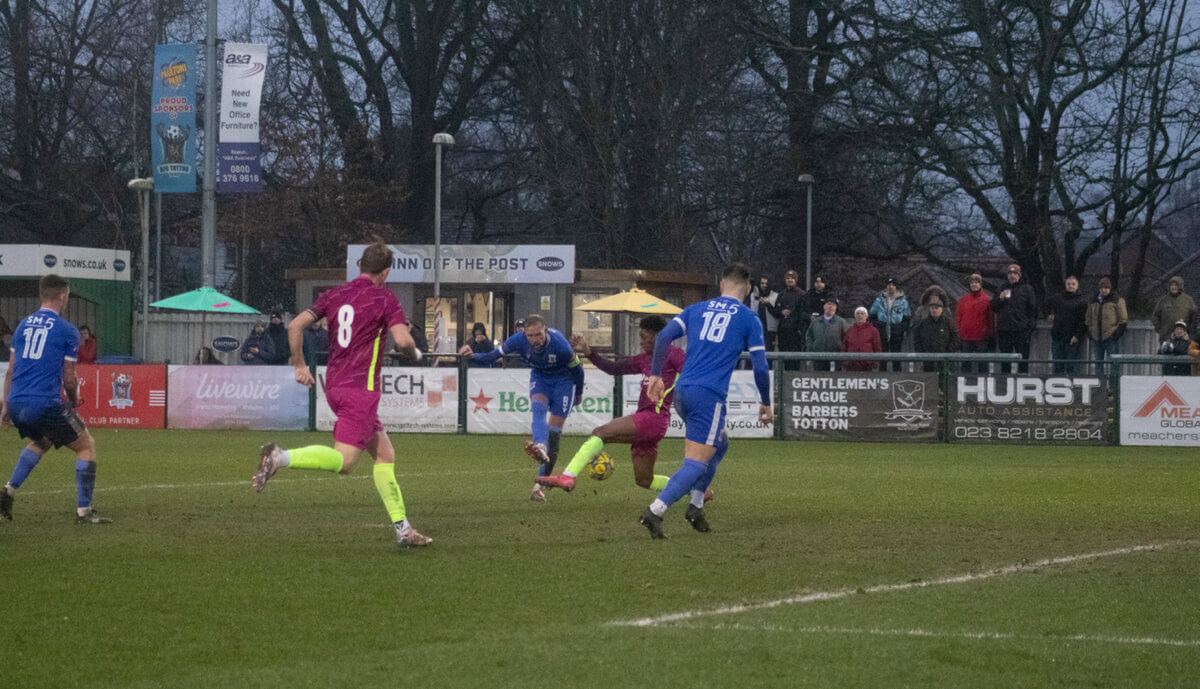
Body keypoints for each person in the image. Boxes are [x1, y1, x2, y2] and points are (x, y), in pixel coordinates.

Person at [252, 241, 432, 549]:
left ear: (360, 266)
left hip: (334, 385)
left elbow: (295, 326)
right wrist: (415, 352)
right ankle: (279, 457)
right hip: (360, 390)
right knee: (346, 463)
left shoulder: (334, 295)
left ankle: (403, 528)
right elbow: (402, 339)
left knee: (385, 455)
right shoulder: (385, 298)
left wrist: (299, 366)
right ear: (386, 272)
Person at [639, 263, 773, 539]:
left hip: (683, 391)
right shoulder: (749, 318)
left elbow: (664, 336)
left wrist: (655, 375)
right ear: (747, 289)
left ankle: (696, 505)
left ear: (721, 285)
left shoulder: (696, 309)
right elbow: (760, 367)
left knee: (719, 443)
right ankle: (655, 511)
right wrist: (766, 402)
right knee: (696, 463)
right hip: (708, 396)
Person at [0, 274, 110, 524]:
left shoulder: (23, 325)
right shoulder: (67, 330)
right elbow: (69, 377)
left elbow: (10, 370)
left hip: (17, 400)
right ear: (63, 296)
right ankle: (84, 512)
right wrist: (74, 400)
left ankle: (8, 490)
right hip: (43, 402)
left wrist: (6, 406)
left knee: (43, 440)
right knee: (85, 446)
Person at [537, 315, 686, 494]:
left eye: (644, 337)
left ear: (658, 337)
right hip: (651, 423)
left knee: (600, 433)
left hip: (653, 418)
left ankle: (568, 476)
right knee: (645, 480)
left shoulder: (675, 355)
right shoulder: (644, 359)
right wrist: (588, 351)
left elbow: (691, 374)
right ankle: (696, 490)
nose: (641, 342)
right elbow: (613, 368)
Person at [458, 314, 585, 502]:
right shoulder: (518, 340)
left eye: (538, 335)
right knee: (538, 408)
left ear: (545, 330)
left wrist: (579, 393)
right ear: (524, 333)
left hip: (563, 381)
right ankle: (540, 445)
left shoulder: (560, 344)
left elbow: (578, 370)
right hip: (540, 377)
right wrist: (472, 355)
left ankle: (538, 487)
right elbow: (492, 356)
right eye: (530, 335)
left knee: (554, 435)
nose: (534, 340)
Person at [991, 263, 1038, 373]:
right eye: (1010, 273)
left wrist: (1030, 327)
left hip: (1021, 331)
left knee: (1023, 359)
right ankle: (1005, 384)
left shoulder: (1027, 288)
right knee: (1005, 360)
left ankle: (1022, 382)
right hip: (1005, 330)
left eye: (1015, 273)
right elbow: (993, 307)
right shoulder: (1001, 288)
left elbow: (1033, 309)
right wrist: (1000, 298)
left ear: (1019, 275)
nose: (1012, 276)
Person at [1085, 276, 1128, 378]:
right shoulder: (1093, 300)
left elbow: (1123, 319)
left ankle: (1114, 387)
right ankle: (1100, 387)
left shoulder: (1117, 299)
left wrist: (1116, 334)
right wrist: (1089, 332)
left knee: (1114, 364)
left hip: (1110, 337)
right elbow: (1088, 318)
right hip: (1096, 337)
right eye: (1101, 288)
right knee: (1098, 364)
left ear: (1110, 288)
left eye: (1106, 288)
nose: (1103, 290)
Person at [1046, 276, 1088, 376]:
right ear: (1065, 285)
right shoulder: (1058, 298)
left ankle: (1071, 387)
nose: (1071, 286)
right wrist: (1048, 314)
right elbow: (1045, 304)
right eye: (1069, 284)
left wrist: (1077, 335)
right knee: (1057, 365)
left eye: (1073, 284)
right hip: (1057, 336)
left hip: (1072, 338)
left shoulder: (1082, 301)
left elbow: (1083, 321)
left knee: (1071, 366)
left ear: (1077, 286)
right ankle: (1057, 386)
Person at [868, 277, 911, 371]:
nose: (891, 287)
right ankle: (882, 380)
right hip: (882, 331)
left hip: (896, 332)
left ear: (896, 287)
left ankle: (897, 379)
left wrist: (901, 329)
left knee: (896, 358)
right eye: (889, 285)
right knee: (882, 358)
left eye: (893, 285)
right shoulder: (879, 300)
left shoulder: (903, 301)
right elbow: (872, 315)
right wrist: (877, 326)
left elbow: (907, 318)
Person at [956, 273, 994, 374]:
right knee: (965, 365)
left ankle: (984, 386)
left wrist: (990, 334)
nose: (974, 285)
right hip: (966, 338)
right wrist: (959, 333)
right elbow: (959, 318)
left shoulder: (987, 300)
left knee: (982, 364)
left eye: (976, 282)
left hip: (981, 338)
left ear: (980, 284)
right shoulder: (963, 300)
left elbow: (991, 319)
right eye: (972, 283)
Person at [912, 296, 960, 373]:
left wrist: (948, 352)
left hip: (945, 360)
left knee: (944, 381)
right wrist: (921, 352)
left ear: (941, 309)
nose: (934, 310)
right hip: (928, 360)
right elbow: (916, 339)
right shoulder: (923, 323)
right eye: (932, 308)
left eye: (936, 308)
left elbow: (956, 339)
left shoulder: (948, 323)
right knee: (929, 382)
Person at [770, 270, 806, 369]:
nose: (790, 280)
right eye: (788, 278)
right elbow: (776, 311)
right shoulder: (781, 294)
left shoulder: (802, 294)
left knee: (794, 360)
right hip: (783, 332)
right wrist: (781, 312)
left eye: (792, 278)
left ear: (796, 280)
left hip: (795, 332)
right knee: (784, 359)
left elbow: (803, 313)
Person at [805, 296, 848, 371]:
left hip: (835, 358)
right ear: (824, 306)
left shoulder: (841, 322)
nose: (831, 306)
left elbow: (846, 338)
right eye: (829, 304)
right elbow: (809, 336)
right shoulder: (815, 321)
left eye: (834, 305)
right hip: (818, 357)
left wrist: (841, 350)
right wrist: (811, 347)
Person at [1151, 276, 1197, 342]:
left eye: (1176, 285)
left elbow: (1195, 316)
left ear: (1180, 286)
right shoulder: (1163, 300)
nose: (1173, 287)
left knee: (1182, 352)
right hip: (1166, 338)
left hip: (1183, 339)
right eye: (1172, 285)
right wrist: (1160, 330)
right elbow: (1155, 316)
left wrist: (1190, 330)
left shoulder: (1188, 300)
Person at [842, 306, 881, 371]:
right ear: (855, 316)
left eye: (862, 314)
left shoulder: (873, 331)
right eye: (858, 313)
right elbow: (844, 347)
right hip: (851, 365)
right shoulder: (849, 331)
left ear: (866, 316)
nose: (860, 315)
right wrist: (845, 360)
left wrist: (876, 361)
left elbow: (877, 347)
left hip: (867, 365)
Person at [750, 276, 779, 352]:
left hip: (769, 329)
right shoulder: (753, 295)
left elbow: (777, 313)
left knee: (769, 352)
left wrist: (767, 304)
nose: (764, 285)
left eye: (766, 283)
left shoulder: (775, 296)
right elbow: (752, 310)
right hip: (757, 327)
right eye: (762, 283)